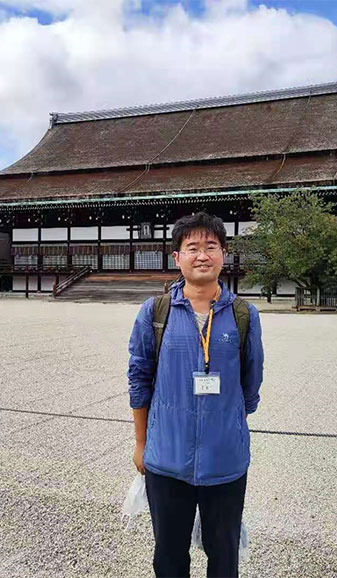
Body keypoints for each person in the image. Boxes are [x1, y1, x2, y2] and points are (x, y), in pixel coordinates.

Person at [127, 212, 265, 578]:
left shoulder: (243, 315)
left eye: (211, 247)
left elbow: (251, 385)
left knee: (224, 556)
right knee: (169, 556)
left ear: (223, 255)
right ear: (177, 257)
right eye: (192, 248)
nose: (202, 255)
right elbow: (139, 381)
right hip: (166, 458)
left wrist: (225, 424)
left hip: (225, 462)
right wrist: (141, 443)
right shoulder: (155, 313)